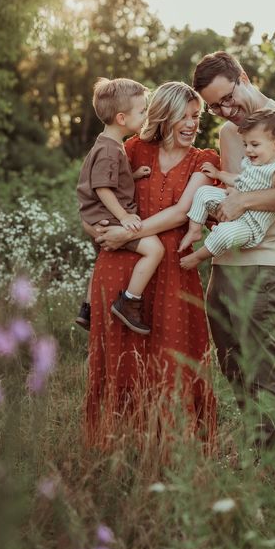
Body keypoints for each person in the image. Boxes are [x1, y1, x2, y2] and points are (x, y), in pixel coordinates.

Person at [82, 81, 220, 450]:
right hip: (123, 266)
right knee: (122, 360)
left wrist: (124, 233)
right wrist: (98, 230)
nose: (193, 124)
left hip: (173, 271)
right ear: (164, 115)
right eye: (185, 116)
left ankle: (176, 454)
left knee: (172, 359)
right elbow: (96, 191)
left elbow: (180, 213)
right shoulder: (131, 149)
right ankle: (117, 452)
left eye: (197, 116)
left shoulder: (203, 161)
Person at [192, 51, 275, 444]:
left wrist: (244, 202)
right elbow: (235, 189)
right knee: (232, 364)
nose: (225, 110)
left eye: (227, 98)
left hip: (264, 266)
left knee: (263, 366)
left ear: (243, 77)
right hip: (224, 264)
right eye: (214, 107)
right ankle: (258, 451)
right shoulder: (229, 133)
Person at [76, 77, 164, 335]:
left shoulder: (109, 145)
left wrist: (132, 176)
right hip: (107, 218)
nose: (145, 115)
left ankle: (88, 308)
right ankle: (129, 301)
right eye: (142, 111)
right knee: (155, 249)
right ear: (122, 118)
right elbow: (102, 188)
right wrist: (124, 215)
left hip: (97, 216)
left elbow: (107, 179)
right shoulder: (110, 151)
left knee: (100, 257)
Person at [179, 108, 275, 270]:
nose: (248, 150)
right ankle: (194, 230)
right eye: (245, 144)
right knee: (203, 192)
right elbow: (238, 180)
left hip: (250, 226)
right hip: (236, 209)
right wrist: (218, 174)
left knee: (224, 232)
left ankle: (198, 256)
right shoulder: (252, 164)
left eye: (254, 144)